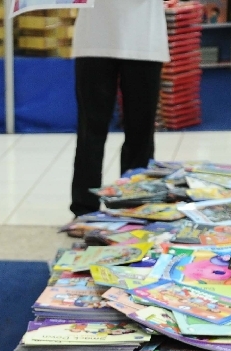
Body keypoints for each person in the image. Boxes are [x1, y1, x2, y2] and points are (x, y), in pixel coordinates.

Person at [69, 0, 170, 219]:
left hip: (144, 38)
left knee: (140, 131)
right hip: (94, 38)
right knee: (91, 132)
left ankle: (135, 206)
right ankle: (85, 210)